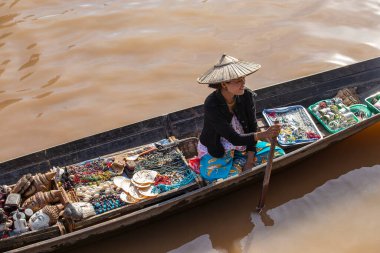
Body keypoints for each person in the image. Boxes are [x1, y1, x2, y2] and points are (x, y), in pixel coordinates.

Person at [196, 54, 285, 182]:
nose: (243, 84)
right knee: (213, 177)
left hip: (244, 142)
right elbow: (234, 138)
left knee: (278, 154)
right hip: (219, 146)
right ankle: (237, 161)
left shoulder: (246, 95)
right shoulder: (212, 103)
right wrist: (264, 134)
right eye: (238, 81)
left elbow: (252, 126)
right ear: (224, 84)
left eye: (243, 79)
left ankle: (240, 160)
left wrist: (250, 160)